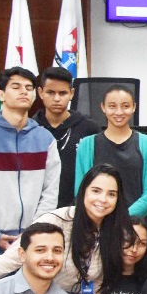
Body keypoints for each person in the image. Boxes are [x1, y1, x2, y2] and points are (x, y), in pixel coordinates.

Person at [0, 67, 59, 266]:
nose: (24, 91)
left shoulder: (45, 138)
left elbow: (50, 190)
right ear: (1, 94)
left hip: (34, 239)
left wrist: (35, 230)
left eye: (29, 88)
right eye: (16, 87)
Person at [72, 85, 147, 231]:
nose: (119, 112)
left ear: (134, 107)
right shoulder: (87, 144)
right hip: (98, 226)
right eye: (112, 106)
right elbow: (81, 191)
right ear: (103, 107)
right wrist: (103, 219)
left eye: (125, 106)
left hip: (139, 227)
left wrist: (122, 220)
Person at [31, 68, 102, 212]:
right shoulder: (29, 129)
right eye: (50, 92)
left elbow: (98, 172)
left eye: (62, 93)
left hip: (78, 210)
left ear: (72, 93)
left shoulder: (89, 128)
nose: (57, 98)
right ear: (40, 93)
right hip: (36, 210)